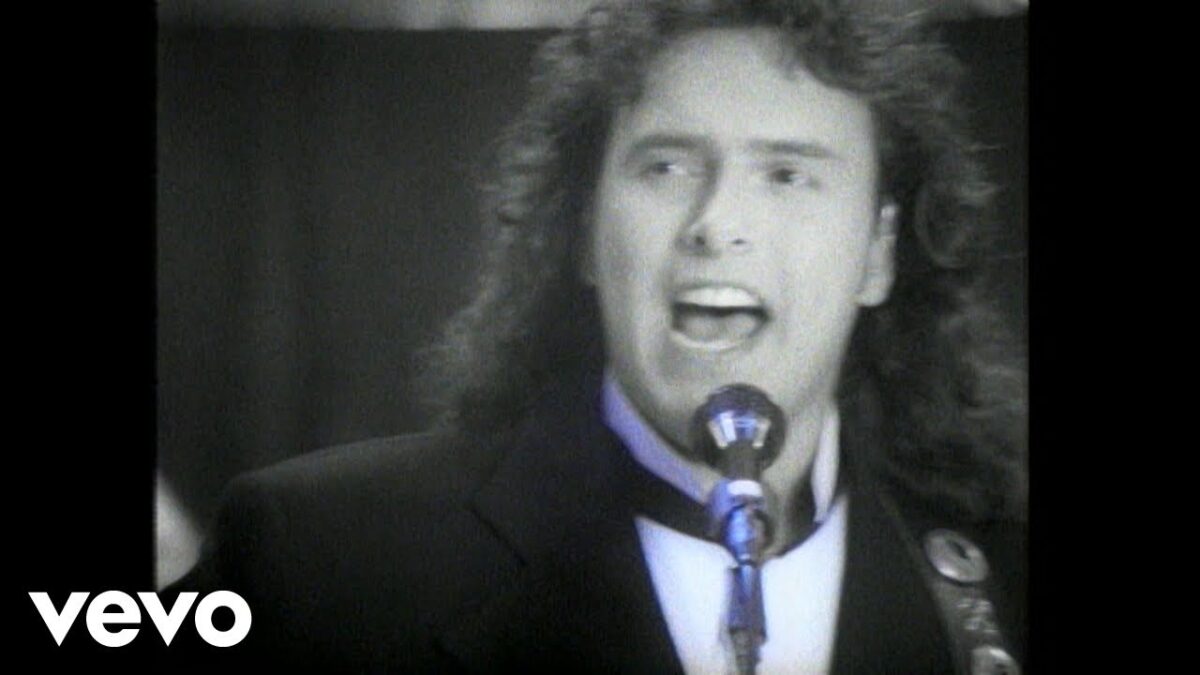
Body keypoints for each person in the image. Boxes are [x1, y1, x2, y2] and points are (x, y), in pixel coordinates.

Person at [167, 0, 1027, 672]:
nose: (717, 221)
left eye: (787, 174)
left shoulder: (1005, 571)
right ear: (582, 230)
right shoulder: (318, 560)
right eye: (667, 166)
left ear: (878, 254)